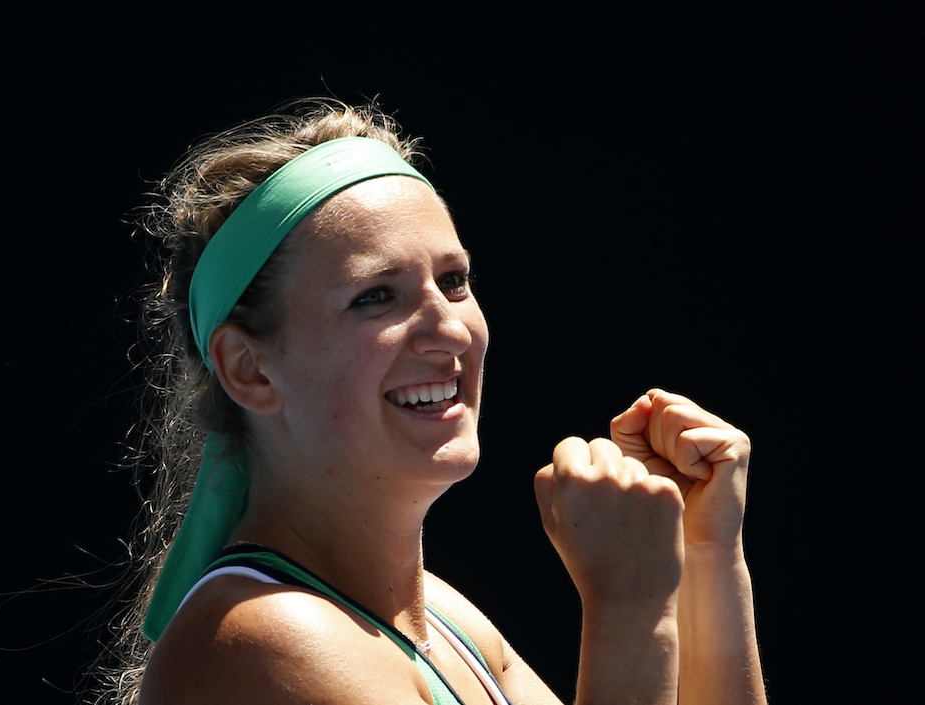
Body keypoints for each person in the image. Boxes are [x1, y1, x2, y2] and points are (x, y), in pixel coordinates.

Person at [101, 100, 766, 705]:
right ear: (249, 369)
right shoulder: (262, 639)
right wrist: (631, 610)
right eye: (375, 295)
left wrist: (709, 548)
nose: (451, 329)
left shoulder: (445, 621)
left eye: (453, 280)